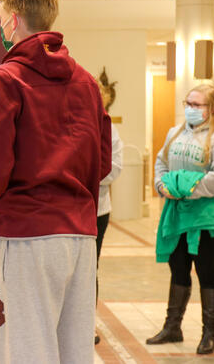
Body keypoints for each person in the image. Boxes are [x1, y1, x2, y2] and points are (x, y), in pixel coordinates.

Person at [0, 0, 111, 363]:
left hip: (26, 235)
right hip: (80, 236)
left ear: (13, 19)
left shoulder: (3, 79)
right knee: (74, 349)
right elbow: (103, 162)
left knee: (23, 349)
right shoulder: (88, 83)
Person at [147, 84, 214, 355]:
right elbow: (161, 164)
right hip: (176, 215)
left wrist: (184, 188)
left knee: (208, 273)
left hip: (205, 218)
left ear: (211, 109)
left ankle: (210, 332)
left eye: (197, 104)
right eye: (188, 103)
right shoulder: (174, 133)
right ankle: (172, 326)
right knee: (178, 268)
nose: (190, 108)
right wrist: (162, 186)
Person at [95, 89, 123, 345]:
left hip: (96, 209)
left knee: (89, 268)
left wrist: (82, 181)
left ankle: (86, 321)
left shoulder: (108, 128)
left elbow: (114, 169)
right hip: (63, 208)